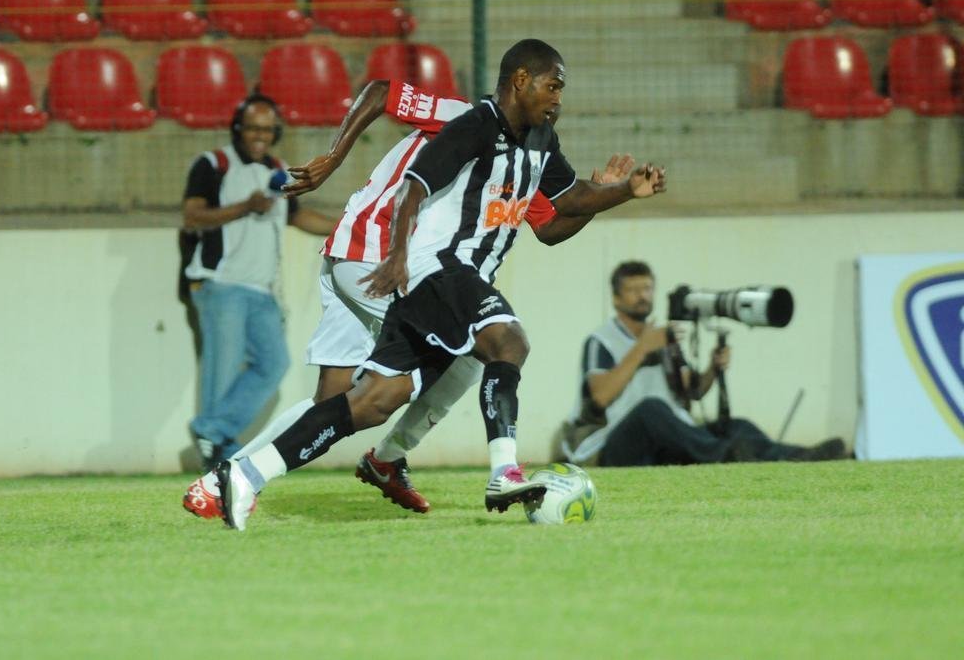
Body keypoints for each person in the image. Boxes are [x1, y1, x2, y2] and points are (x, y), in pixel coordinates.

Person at [213, 39, 667, 530]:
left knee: (373, 401)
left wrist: (623, 191)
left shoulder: (539, 141)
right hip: (440, 267)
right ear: (521, 80)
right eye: (553, 86)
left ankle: (245, 475)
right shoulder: (472, 124)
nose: (559, 98)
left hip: (451, 277)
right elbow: (415, 184)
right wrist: (398, 256)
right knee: (508, 341)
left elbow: (563, 209)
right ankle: (504, 472)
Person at [561, 260, 847, 466]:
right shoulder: (601, 341)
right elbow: (600, 397)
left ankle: (796, 456)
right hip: (614, 444)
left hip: (665, 440)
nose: (643, 296)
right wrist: (641, 349)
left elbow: (693, 391)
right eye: (633, 290)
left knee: (735, 426)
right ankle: (725, 455)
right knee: (651, 410)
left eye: (647, 288)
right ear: (615, 298)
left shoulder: (663, 338)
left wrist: (712, 369)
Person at [181, 93, 337, 470]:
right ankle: (218, 450)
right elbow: (192, 216)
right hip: (221, 284)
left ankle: (213, 432)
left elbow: (296, 216)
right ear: (238, 129)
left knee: (273, 363)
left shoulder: (279, 170)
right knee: (223, 370)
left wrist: (346, 226)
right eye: (253, 128)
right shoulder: (213, 164)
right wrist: (244, 207)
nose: (260, 136)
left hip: (263, 290)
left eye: (267, 130)